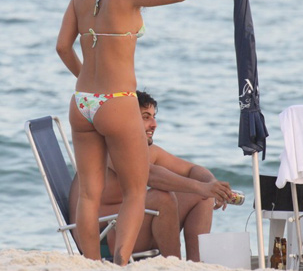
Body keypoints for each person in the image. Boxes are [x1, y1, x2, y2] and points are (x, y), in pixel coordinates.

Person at [56, 0, 251, 265]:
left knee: (88, 193)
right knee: (136, 190)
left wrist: (89, 83)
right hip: (116, 101)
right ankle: (119, 265)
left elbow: (62, 47)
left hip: (82, 102)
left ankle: (89, 267)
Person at [69, 90, 233, 261]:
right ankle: (174, 265)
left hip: (125, 225)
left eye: (154, 117)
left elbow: (192, 169)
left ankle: (195, 265)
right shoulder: (108, 148)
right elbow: (150, 175)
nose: (154, 124)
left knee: (201, 196)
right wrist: (202, 187)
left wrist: (212, 184)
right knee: (162, 198)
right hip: (103, 238)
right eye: (146, 117)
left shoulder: (145, 150)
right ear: (128, 119)